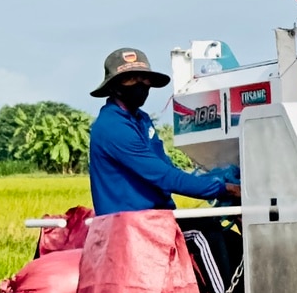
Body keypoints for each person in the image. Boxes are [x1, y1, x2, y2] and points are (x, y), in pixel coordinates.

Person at [88, 47, 238, 214]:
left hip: (155, 218)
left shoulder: (141, 120)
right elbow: (163, 176)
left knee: (222, 235)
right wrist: (226, 189)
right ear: (113, 87)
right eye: (130, 79)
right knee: (215, 239)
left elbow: (168, 168)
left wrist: (218, 181)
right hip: (130, 226)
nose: (139, 84)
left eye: (144, 78)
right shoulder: (113, 127)